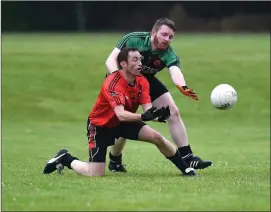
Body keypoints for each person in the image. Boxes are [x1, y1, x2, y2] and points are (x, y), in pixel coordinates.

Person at [43, 47, 197, 177]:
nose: (140, 63)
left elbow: (147, 110)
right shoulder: (112, 82)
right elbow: (120, 113)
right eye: (135, 60)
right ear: (123, 63)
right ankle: (66, 158)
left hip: (124, 122)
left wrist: (157, 115)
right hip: (100, 125)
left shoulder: (142, 81)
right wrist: (143, 116)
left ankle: (185, 168)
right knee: (95, 173)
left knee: (156, 137)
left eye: (140, 59)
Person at [105, 18, 212, 173]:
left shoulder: (168, 53)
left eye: (170, 37)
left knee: (173, 112)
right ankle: (115, 160)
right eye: (164, 34)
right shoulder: (134, 39)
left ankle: (188, 158)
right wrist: (119, 81)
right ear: (154, 32)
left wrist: (182, 86)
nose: (167, 39)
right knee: (126, 122)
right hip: (121, 80)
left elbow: (175, 70)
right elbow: (110, 60)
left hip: (146, 81)